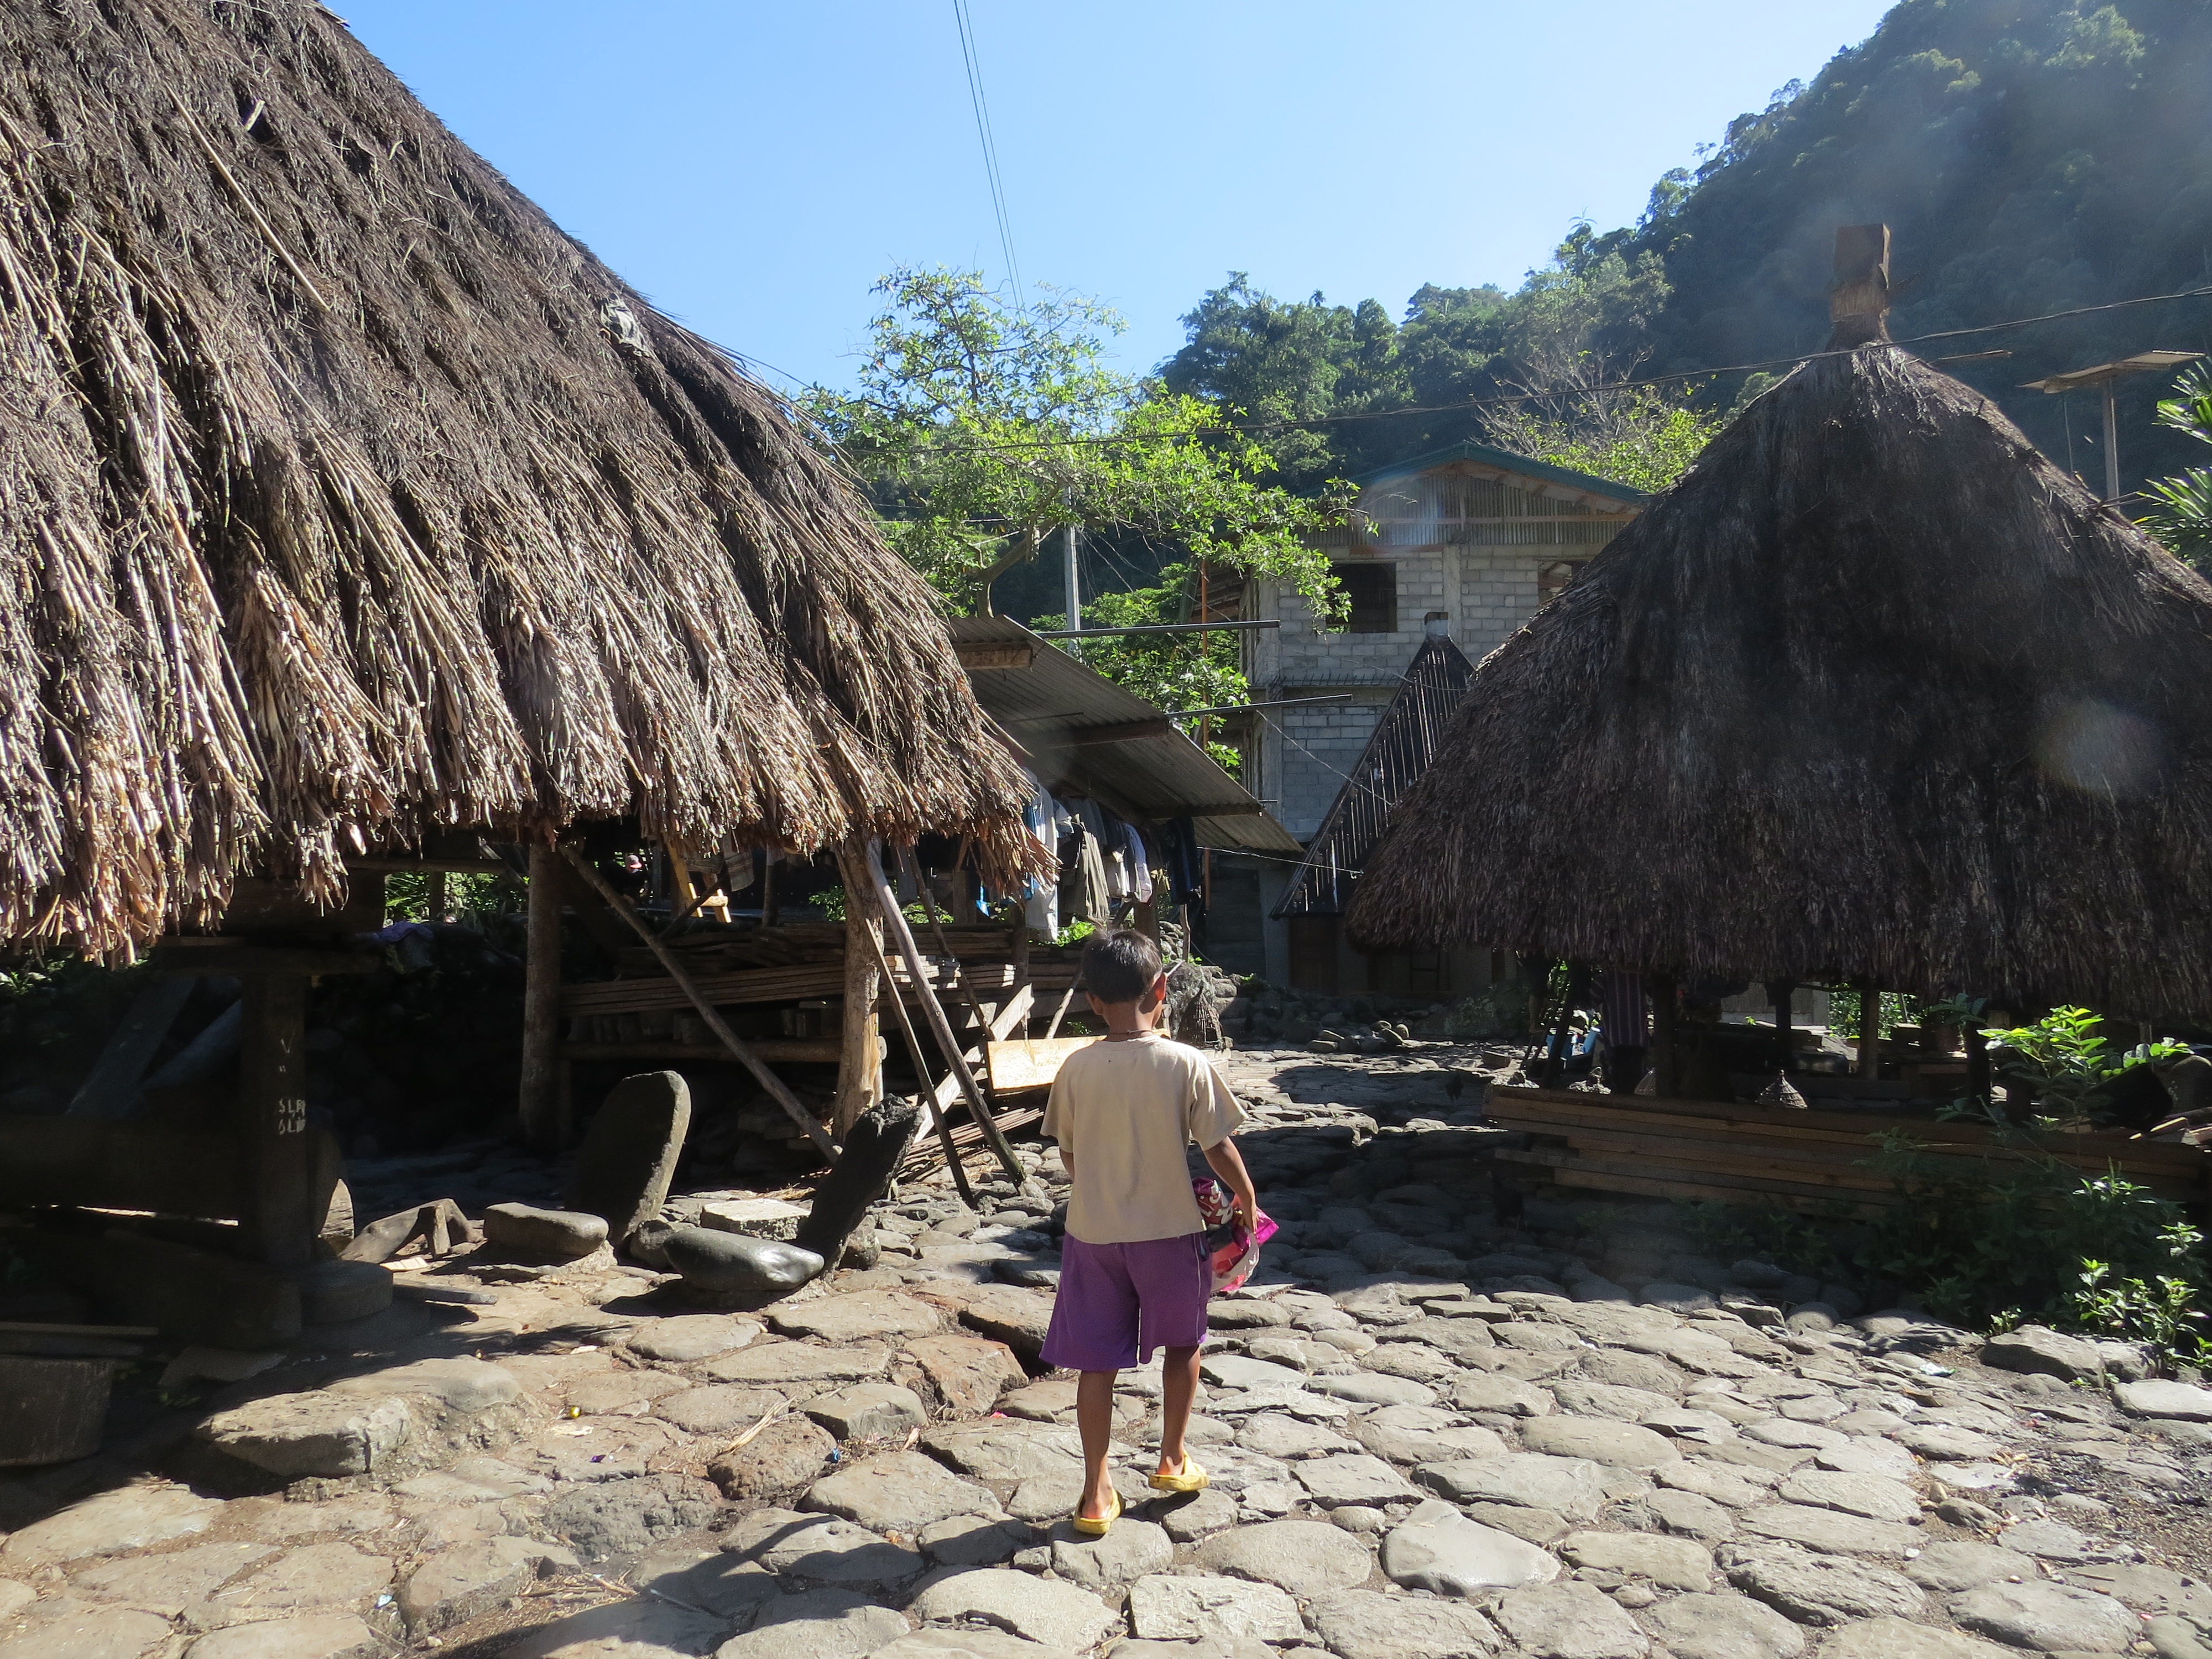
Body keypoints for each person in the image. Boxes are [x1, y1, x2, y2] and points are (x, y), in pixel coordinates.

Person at [1039, 928, 1257, 1536]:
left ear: (1091, 1000)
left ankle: (1094, 1491)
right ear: (1161, 990)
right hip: (1169, 1233)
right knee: (1184, 1344)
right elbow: (1217, 1146)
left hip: (1094, 1235)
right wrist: (1245, 1196)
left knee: (1096, 1364)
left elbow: (1071, 1153)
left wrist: (1097, 1190)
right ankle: (1171, 1457)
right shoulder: (1185, 1063)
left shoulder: (1075, 1068)